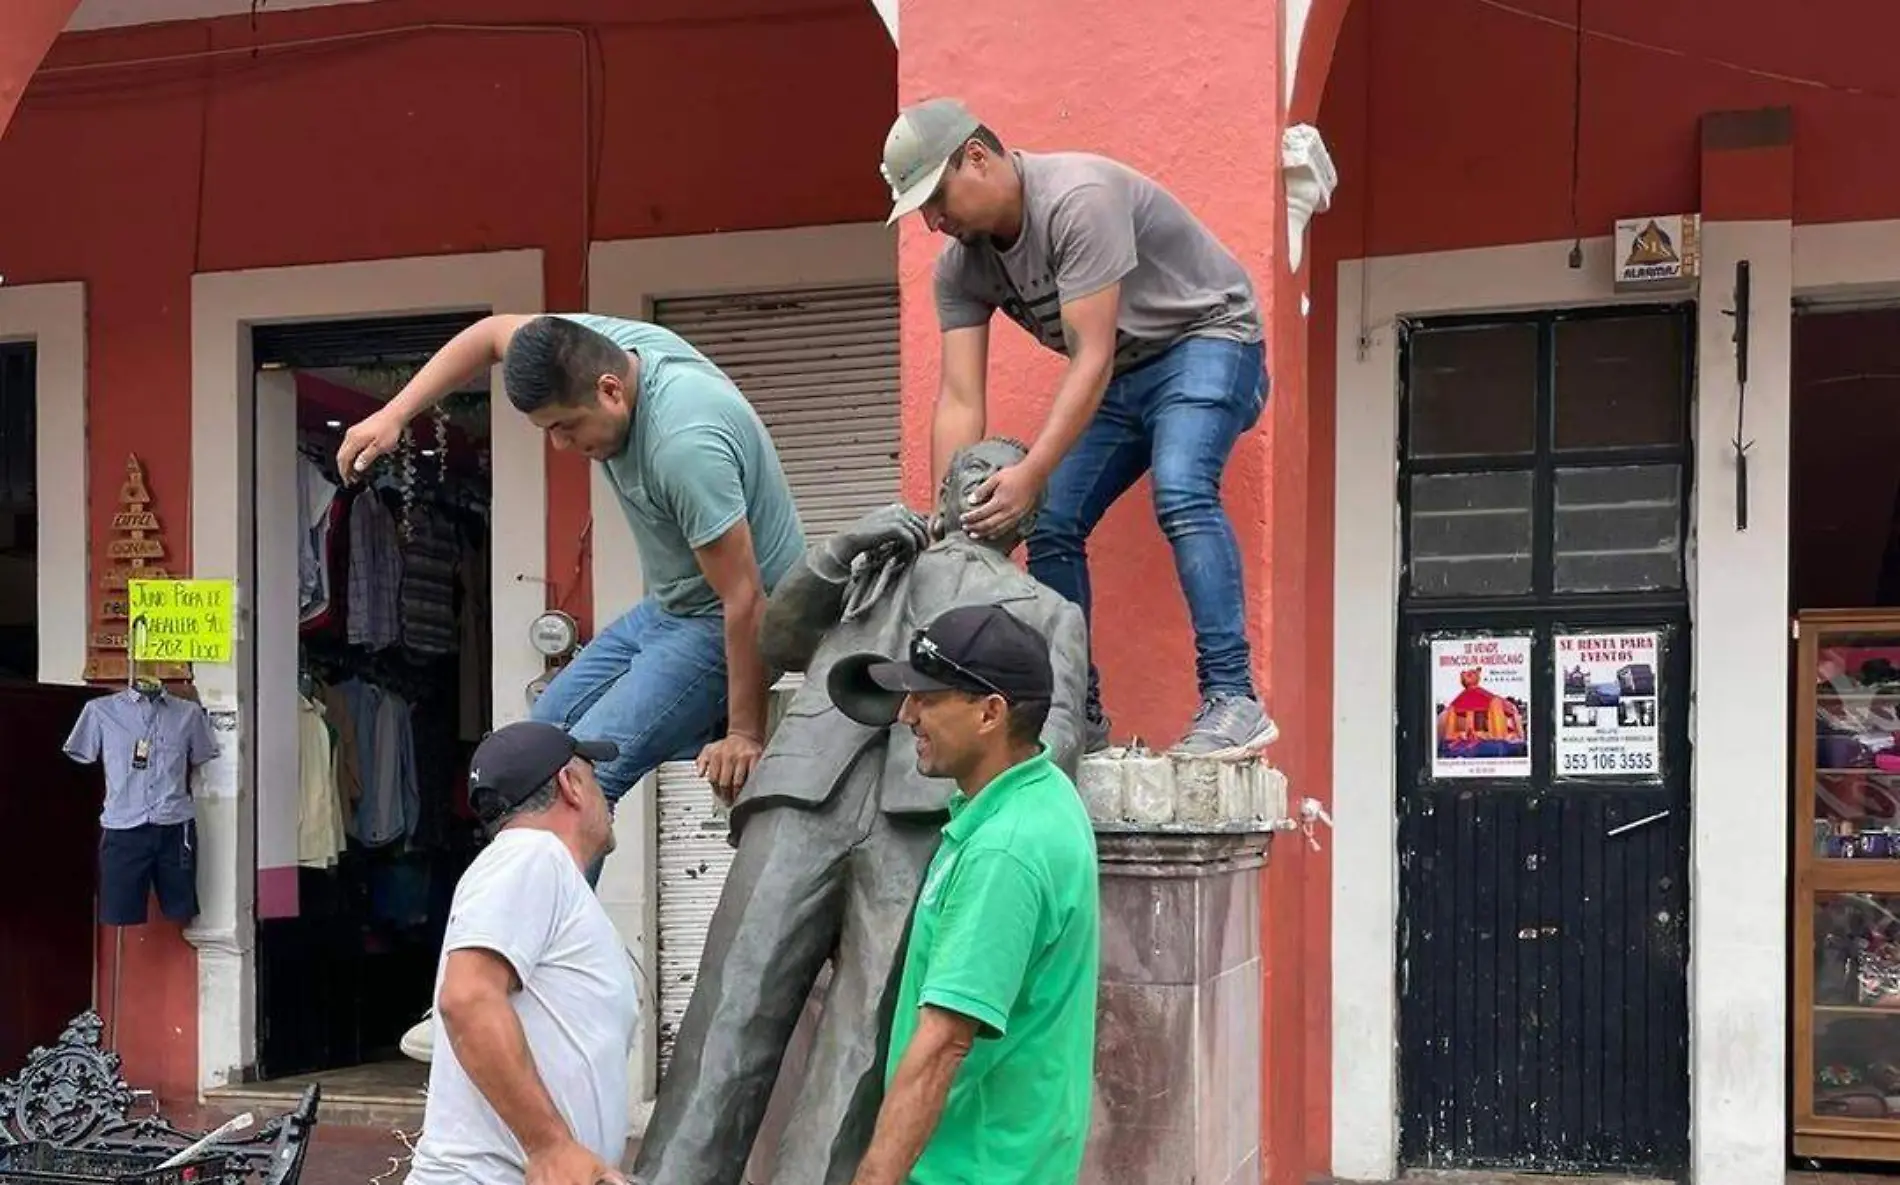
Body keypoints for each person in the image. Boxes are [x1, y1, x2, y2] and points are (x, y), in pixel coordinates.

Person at [337, 313, 802, 1057]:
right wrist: (396, 412)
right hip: (668, 610)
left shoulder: (684, 439)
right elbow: (492, 333)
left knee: (581, 776)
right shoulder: (586, 346)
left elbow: (746, 598)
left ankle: (516, 985)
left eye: (566, 427)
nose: (562, 446)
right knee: (515, 758)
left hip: (724, 626)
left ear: (612, 389)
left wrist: (743, 730)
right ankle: (481, 971)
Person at [630, 438, 1089, 1185]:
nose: (975, 492)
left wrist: (978, 822)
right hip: (807, 787)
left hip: (924, 825)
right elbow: (775, 639)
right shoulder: (874, 563)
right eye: (962, 480)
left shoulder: (1050, 612)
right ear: (939, 497)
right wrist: (838, 550)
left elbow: (1054, 737)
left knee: (862, 1040)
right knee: (731, 1001)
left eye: (996, 484)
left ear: (1024, 511)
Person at [881, 96, 1275, 758]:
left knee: (1180, 487)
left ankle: (1233, 697)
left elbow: (1088, 358)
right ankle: (1077, 708)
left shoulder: (1076, 200)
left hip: (1209, 337)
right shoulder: (961, 266)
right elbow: (957, 398)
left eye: (936, 196)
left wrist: (1031, 471)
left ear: (977, 156)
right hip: (1124, 373)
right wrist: (946, 522)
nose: (932, 220)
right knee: (1054, 522)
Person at [846, 603, 1099, 1185]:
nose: (907, 714)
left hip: (971, 1171)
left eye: (928, 698)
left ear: (990, 713)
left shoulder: (1005, 850)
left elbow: (943, 1043)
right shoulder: (1038, 792)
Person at [404, 721, 638, 1185]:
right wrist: (550, 1146)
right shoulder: (532, 854)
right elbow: (467, 998)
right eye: (593, 776)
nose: (605, 795)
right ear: (571, 786)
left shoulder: (534, 868)